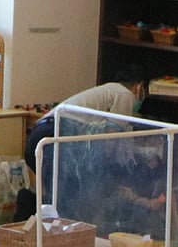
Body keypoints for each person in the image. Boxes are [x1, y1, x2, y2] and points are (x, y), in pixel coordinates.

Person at [15, 71, 148, 220]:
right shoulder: (125, 95)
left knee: (58, 193)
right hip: (55, 133)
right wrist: (105, 169)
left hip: (40, 132)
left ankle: (26, 212)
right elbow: (111, 138)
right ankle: (36, 217)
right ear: (139, 87)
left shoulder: (108, 90)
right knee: (63, 198)